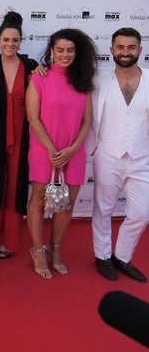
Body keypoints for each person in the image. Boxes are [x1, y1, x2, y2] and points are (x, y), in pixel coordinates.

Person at [26, 28, 95, 279]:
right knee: (38, 199)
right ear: (52, 51)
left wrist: (72, 149)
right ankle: (37, 251)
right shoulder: (39, 78)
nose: (65, 55)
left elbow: (87, 121)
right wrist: (53, 150)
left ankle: (54, 249)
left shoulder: (83, 82)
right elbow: (32, 118)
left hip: (73, 152)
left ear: (77, 52)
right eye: (60, 50)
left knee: (66, 204)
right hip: (44, 149)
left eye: (70, 50)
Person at [90, 27, 148, 283]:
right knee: (103, 210)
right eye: (120, 47)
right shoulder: (98, 80)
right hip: (108, 154)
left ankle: (121, 256)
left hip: (143, 158)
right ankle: (102, 256)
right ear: (112, 49)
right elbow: (65, 77)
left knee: (141, 213)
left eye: (131, 47)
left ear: (140, 50)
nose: (126, 52)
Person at [0, 12, 38, 259]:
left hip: (24, 139)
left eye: (15, 40)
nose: (10, 44)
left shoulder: (33, 67)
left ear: (21, 42)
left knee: (15, 188)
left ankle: (10, 241)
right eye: (6, 40)